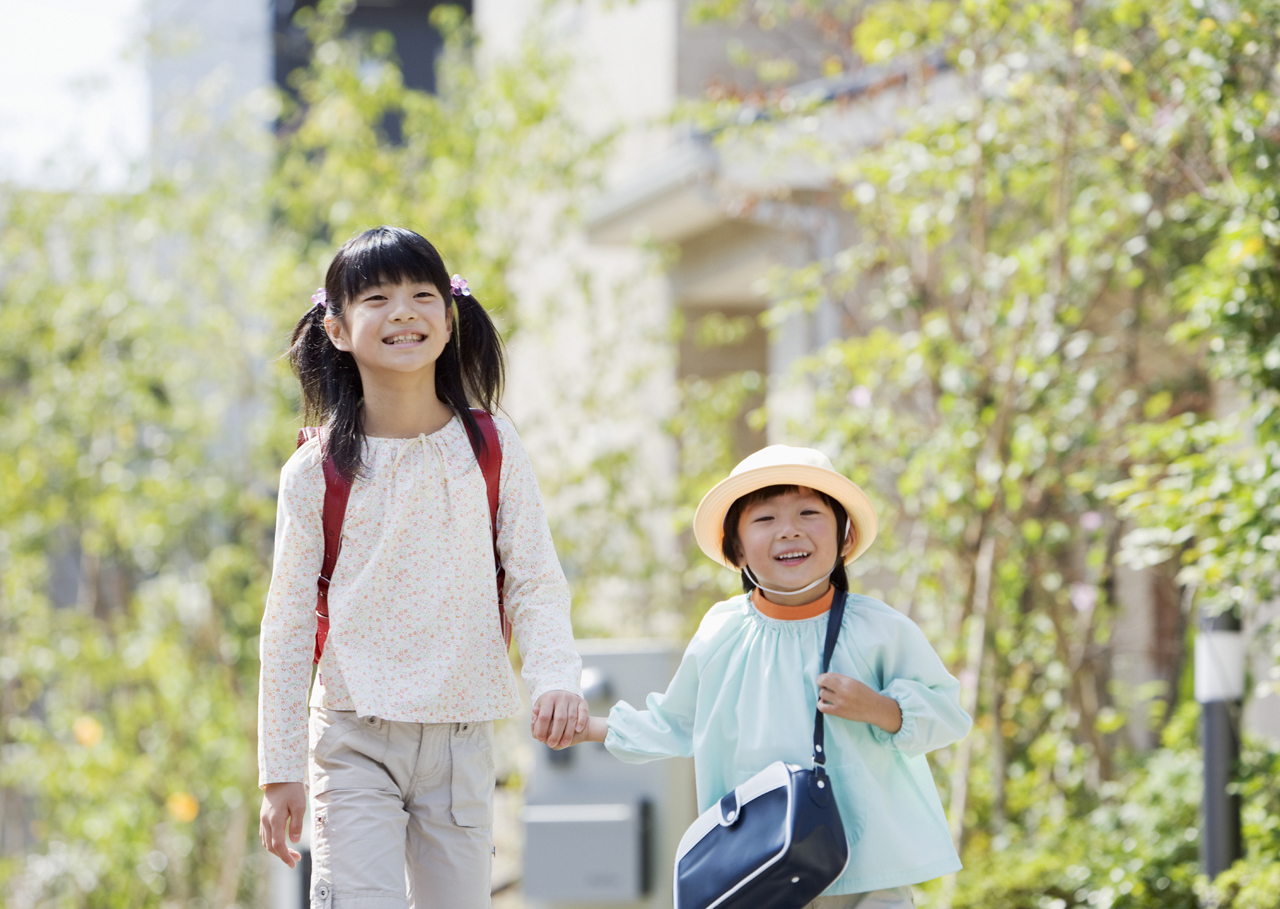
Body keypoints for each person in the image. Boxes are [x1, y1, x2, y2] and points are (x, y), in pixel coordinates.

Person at [257, 226, 586, 909]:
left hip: (462, 739)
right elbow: (287, 624)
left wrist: (556, 674)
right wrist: (278, 770)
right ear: (338, 327)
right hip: (352, 736)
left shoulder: (492, 447)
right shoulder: (314, 472)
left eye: (421, 294)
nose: (403, 310)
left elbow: (533, 578)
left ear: (448, 316)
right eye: (376, 296)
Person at [560, 445, 972, 909]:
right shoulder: (723, 631)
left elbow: (948, 714)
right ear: (735, 548)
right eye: (765, 519)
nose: (789, 529)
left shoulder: (878, 628)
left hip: (866, 867)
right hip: (761, 868)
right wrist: (592, 729)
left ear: (845, 536)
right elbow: (676, 721)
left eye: (809, 512)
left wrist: (879, 708)